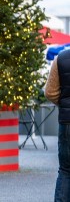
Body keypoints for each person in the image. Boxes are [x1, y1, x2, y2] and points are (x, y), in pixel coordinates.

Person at [45, 48, 70, 202]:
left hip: (67, 122)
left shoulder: (61, 58)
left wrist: (65, 105)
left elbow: (49, 92)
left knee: (66, 171)